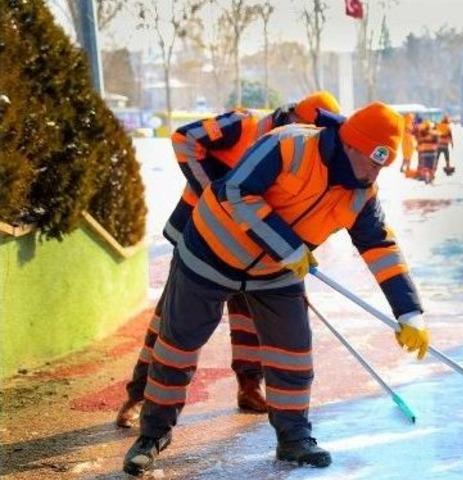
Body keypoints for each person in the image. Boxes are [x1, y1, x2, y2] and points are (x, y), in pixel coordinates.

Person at [122, 102, 430, 475]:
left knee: (293, 353)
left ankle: (294, 438)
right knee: (178, 346)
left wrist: (408, 312)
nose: (374, 171)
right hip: (210, 252)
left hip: (277, 272)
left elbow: (379, 245)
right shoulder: (288, 145)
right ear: (350, 144)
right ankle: (152, 435)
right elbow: (235, 190)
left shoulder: (362, 192)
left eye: (384, 163)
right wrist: (288, 246)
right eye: (372, 159)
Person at [115, 92, 342, 429]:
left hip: (254, 247)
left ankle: (249, 387)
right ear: (290, 115)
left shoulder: (306, 155)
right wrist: (213, 193)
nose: (308, 140)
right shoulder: (243, 123)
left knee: (249, 318)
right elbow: (185, 139)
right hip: (202, 240)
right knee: (172, 322)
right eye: (304, 128)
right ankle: (138, 394)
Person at [416, 118, 439, 184]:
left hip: (424, 153)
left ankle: (426, 176)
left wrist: (418, 148)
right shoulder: (434, 133)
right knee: (432, 167)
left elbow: (419, 143)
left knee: (425, 166)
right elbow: (437, 142)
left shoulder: (421, 133)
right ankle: (431, 179)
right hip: (432, 152)